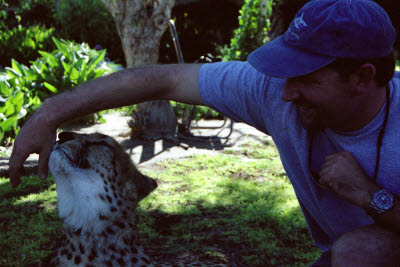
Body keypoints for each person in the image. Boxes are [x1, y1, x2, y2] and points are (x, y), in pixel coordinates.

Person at [8, 0, 400, 265]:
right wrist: (49, 114)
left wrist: (369, 197)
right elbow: (164, 79)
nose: (285, 92)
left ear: (363, 78)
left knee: (363, 248)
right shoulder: (273, 91)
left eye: (306, 79)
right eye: (285, 73)